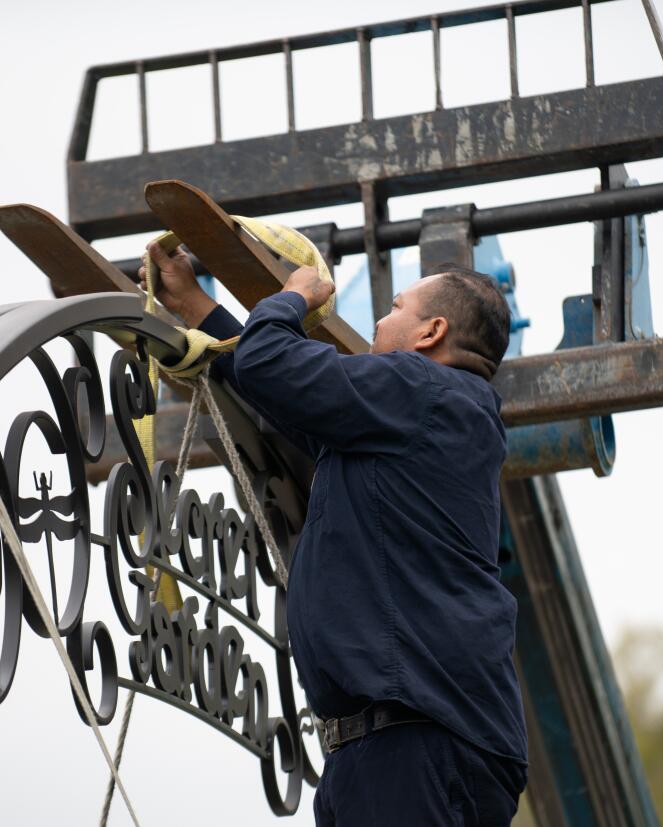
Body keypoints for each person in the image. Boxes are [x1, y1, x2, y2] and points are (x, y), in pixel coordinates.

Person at [140, 241, 528, 826]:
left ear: (431, 334)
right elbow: (281, 392)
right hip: (409, 739)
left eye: (396, 307)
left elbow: (274, 365)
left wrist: (294, 296)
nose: (380, 319)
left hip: (412, 740)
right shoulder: (423, 416)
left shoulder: (421, 390)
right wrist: (196, 306)